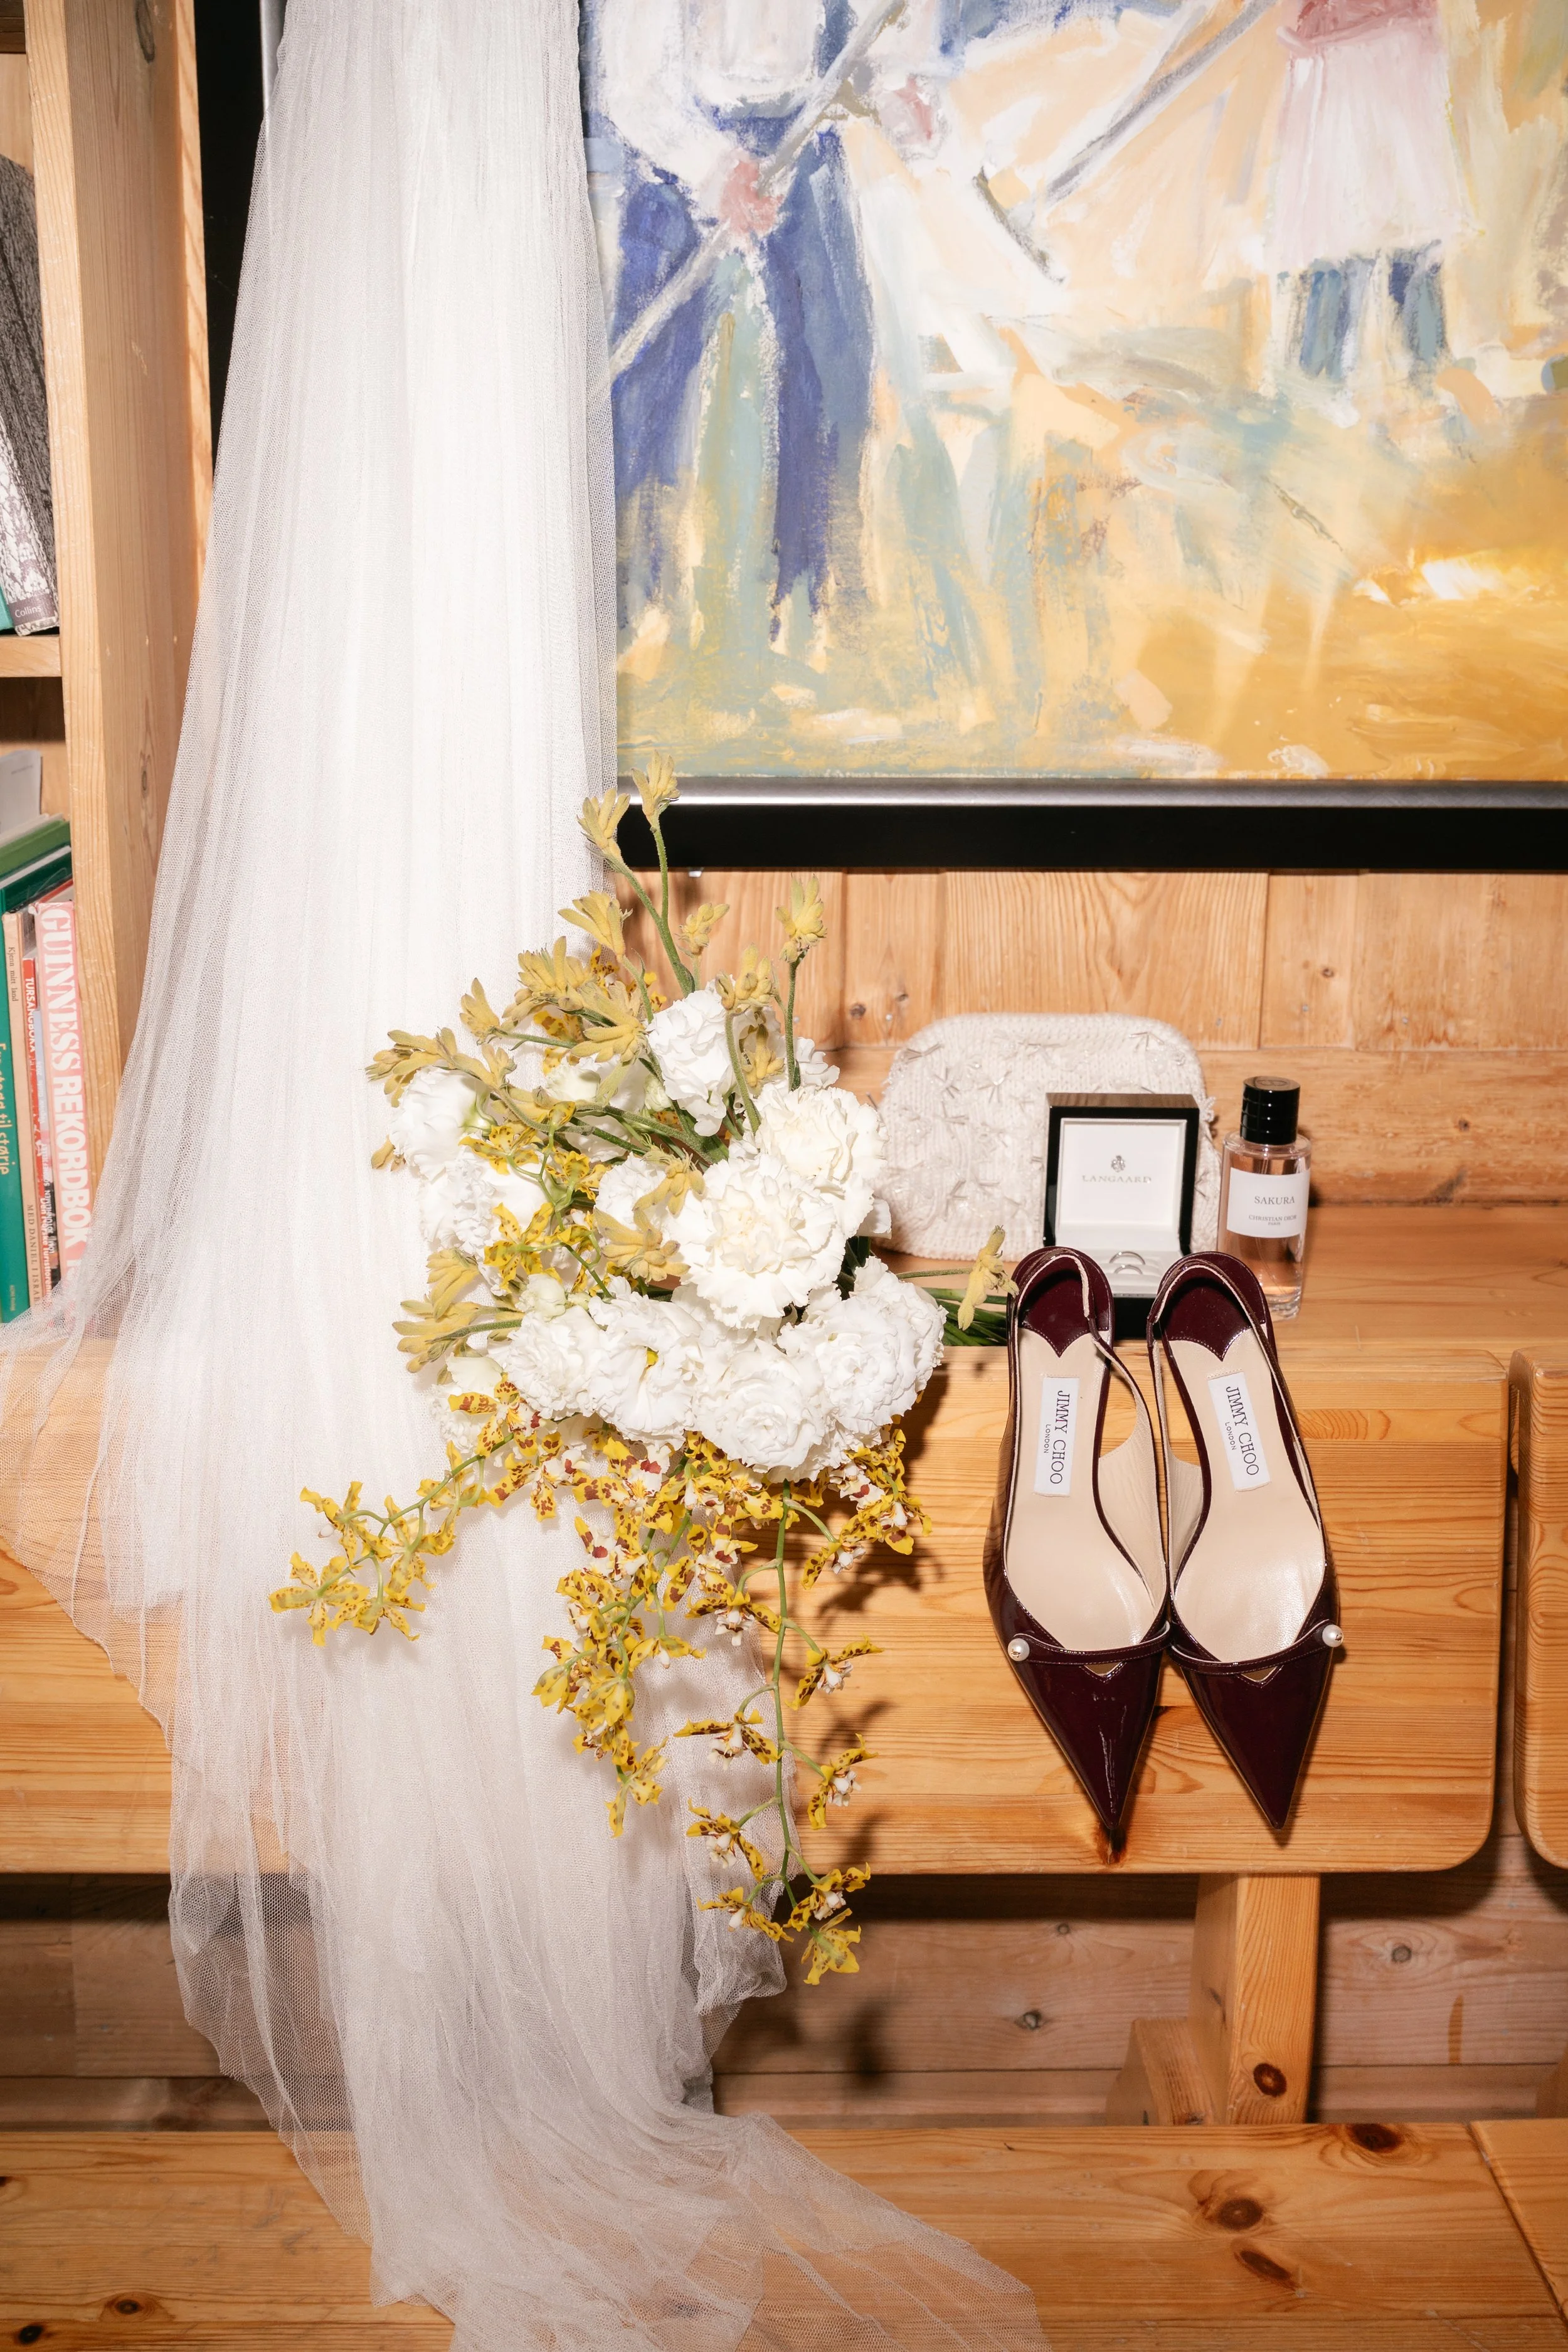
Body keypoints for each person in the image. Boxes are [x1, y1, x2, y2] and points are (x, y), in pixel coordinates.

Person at [593, 0, 940, 650]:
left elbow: (864, 42)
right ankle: (623, 600)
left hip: (801, 129)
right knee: (644, 393)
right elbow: (633, 84)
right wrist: (712, 167)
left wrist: (898, 94)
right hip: (679, 141)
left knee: (837, 363)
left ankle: (817, 601)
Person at [1271, 0, 1467, 386]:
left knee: (1403, 229)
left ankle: (1425, 377)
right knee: (1341, 235)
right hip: (1345, 64)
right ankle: (1321, 380)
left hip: (1389, 59)